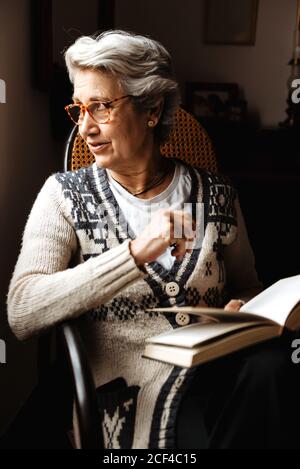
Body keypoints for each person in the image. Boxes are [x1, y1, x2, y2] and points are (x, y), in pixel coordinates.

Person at [6, 30, 299, 449]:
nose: (87, 128)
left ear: (151, 109)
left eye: (102, 108)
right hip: (133, 398)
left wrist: (242, 310)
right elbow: (22, 309)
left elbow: (246, 284)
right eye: (79, 110)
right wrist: (135, 254)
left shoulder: (217, 195)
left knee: (275, 370)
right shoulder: (64, 196)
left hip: (220, 376)